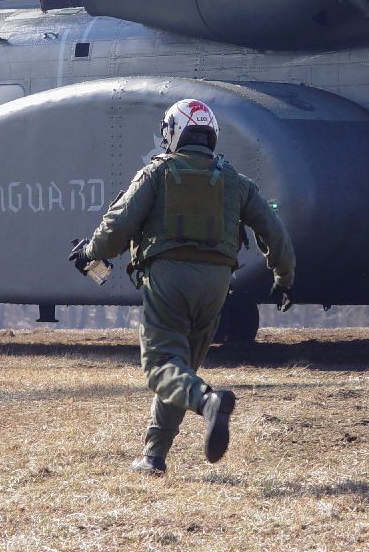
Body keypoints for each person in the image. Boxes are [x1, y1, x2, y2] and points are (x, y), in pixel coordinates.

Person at [70, 98, 296, 475]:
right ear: (212, 136)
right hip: (217, 286)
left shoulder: (156, 173)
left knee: (161, 365)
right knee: (181, 366)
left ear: (173, 133)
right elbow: (275, 232)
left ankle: (207, 402)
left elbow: (117, 226)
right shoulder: (236, 182)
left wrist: (90, 252)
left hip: (168, 279)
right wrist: (284, 279)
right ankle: (154, 456)